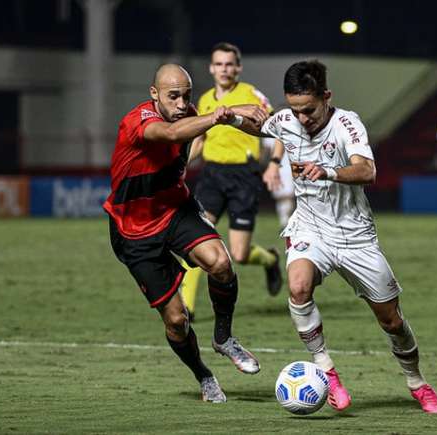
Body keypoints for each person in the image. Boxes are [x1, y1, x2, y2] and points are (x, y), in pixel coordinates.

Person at [232, 60, 437, 413]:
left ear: (326, 97)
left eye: (309, 110)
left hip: (355, 237)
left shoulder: (347, 123)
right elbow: (257, 123)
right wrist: (225, 113)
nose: (302, 118)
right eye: (295, 109)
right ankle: (326, 371)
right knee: (299, 287)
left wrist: (328, 171)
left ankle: (417, 382)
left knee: (391, 320)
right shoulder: (287, 121)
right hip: (310, 229)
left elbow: (368, 170)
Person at [103, 64, 268, 402]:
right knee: (177, 320)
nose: (181, 103)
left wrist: (279, 130)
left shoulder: (191, 114)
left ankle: (224, 338)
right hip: (133, 230)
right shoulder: (139, 121)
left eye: (186, 96)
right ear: (154, 94)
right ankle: (204, 376)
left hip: (176, 209)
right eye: (173, 96)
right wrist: (228, 113)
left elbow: (242, 126)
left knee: (221, 263)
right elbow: (171, 134)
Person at [179, 42, 282, 321]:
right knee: (197, 240)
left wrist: (274, 165)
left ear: (238, 67)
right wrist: (182, 166)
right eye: (219, 64)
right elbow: (200, 140)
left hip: (244, 178)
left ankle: (270, 260)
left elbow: (279, 130)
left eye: (229, 64)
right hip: (212, 176)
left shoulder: (251, 95)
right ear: (212, 68)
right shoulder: (205, 101)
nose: (224, 69)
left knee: (239, 253)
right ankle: (187, 308)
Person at [262, 138, 296, 228]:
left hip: (291, 163)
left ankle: (287, 221)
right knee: (283, 195)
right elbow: (267, 149)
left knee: (289, 195)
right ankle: (285, 222)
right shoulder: (268, 130)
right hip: (278, 166)